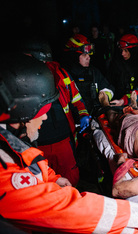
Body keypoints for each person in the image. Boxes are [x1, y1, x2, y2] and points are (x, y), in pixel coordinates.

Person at [0, 53, 138, 234]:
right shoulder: (6, 177)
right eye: (42, 111)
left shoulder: (10, 144)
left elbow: (28, 166)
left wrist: (52, 178)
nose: (45, 117)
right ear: (22, 113)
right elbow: (73, 211)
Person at [21, 37, 90, 187]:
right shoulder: (19, 80)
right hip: (37, 144)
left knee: (71, 179)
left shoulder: (61, 74)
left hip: (64, 140)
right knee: (43, 183)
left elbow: (77, 99)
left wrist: (84, 115)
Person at [62, 33, 115, 115]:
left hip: (95, 116)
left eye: (89, 54)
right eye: (84, 55)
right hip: (74, 119)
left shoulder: (94, 72)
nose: (88, 57)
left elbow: (108, 88)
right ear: (74, 56)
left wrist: (105, 97)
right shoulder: (64, 75)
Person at [106, 34, 138, 100]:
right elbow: (110, 83)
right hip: (119, 101)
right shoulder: (116, 64)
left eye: (126, 50)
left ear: (133, 51)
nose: (122, 53)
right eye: (121, 50)